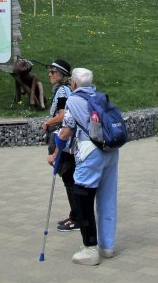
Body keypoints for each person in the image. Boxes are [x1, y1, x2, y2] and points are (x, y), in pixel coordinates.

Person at [48, 67, 119, 266]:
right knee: (107, 198)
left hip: (90, 152)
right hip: (111, 151)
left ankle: (90, 248)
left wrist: (56, 152)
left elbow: (66, 130)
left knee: (83, 198)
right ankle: (107, 246)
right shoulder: (100, 97)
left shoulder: (73, 100)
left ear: (74, 83)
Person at [40, 59, 77, 233]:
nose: (50, 74)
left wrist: (48, 121)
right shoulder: (65, 90)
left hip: (62, 140)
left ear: (61, 75)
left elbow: (62, 116)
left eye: (53, 72)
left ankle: (76, 218)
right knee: (70, 178)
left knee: (69, 179)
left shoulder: (62, 91)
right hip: (65, 140)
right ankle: (75, 215)